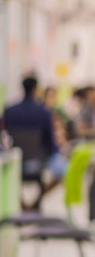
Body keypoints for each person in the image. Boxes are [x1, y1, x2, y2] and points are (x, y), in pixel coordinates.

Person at [2, 76, 59, 210]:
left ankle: (24, 205)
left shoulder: (9, 111)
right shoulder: (44, 112)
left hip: (14, 163)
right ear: (36, 89)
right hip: (38, 162)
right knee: (63, 171)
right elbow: (50, 143)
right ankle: (33, 205)